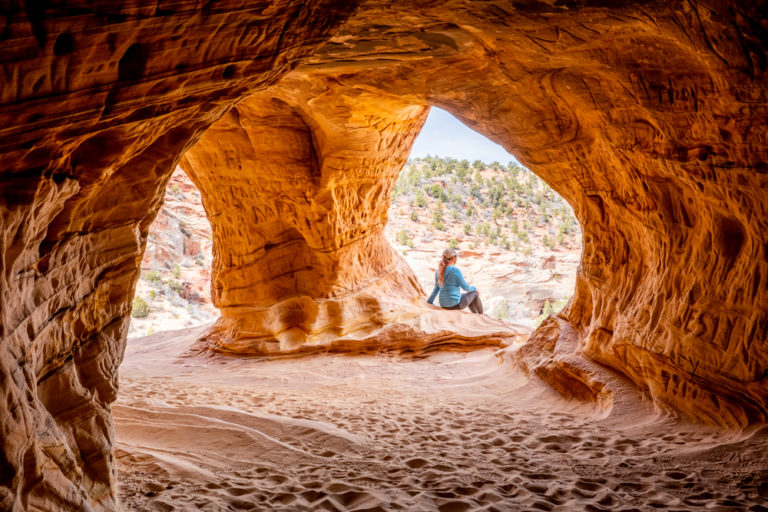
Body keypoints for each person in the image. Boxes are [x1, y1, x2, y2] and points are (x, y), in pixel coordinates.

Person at [427, 248, 483, 314]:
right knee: (474, 294)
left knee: (467, 295)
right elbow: (465, 287)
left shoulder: (438, 271)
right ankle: (481, 315)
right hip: (454, 305)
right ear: (453, 258)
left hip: (443, 304)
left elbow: (436, 289)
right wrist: (475, 288)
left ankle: (476, 315)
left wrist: (429, 301)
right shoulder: (455, 270)